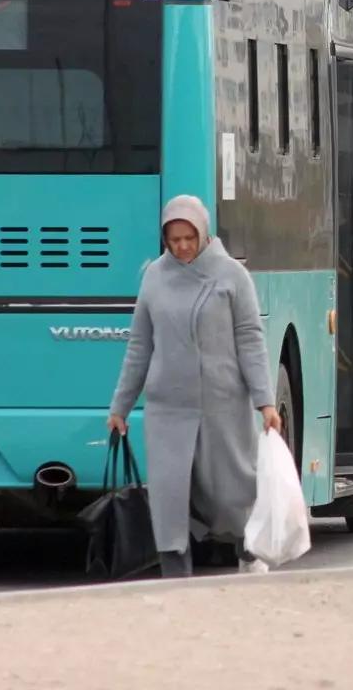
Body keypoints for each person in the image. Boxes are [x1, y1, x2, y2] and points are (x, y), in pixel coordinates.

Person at [106, 195, 282, 578]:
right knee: (169, 497)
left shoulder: (232, 275)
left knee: (230, 494)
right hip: (167, 408)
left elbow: (251, 339)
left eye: (189, 237)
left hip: (222, 405)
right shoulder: (154, 276)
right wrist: (120, 407)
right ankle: (176, 573)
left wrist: (265, 402)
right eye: (174, 239)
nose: (182, 246)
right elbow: (140, 344)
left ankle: (247, 548)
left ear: (204, 233)